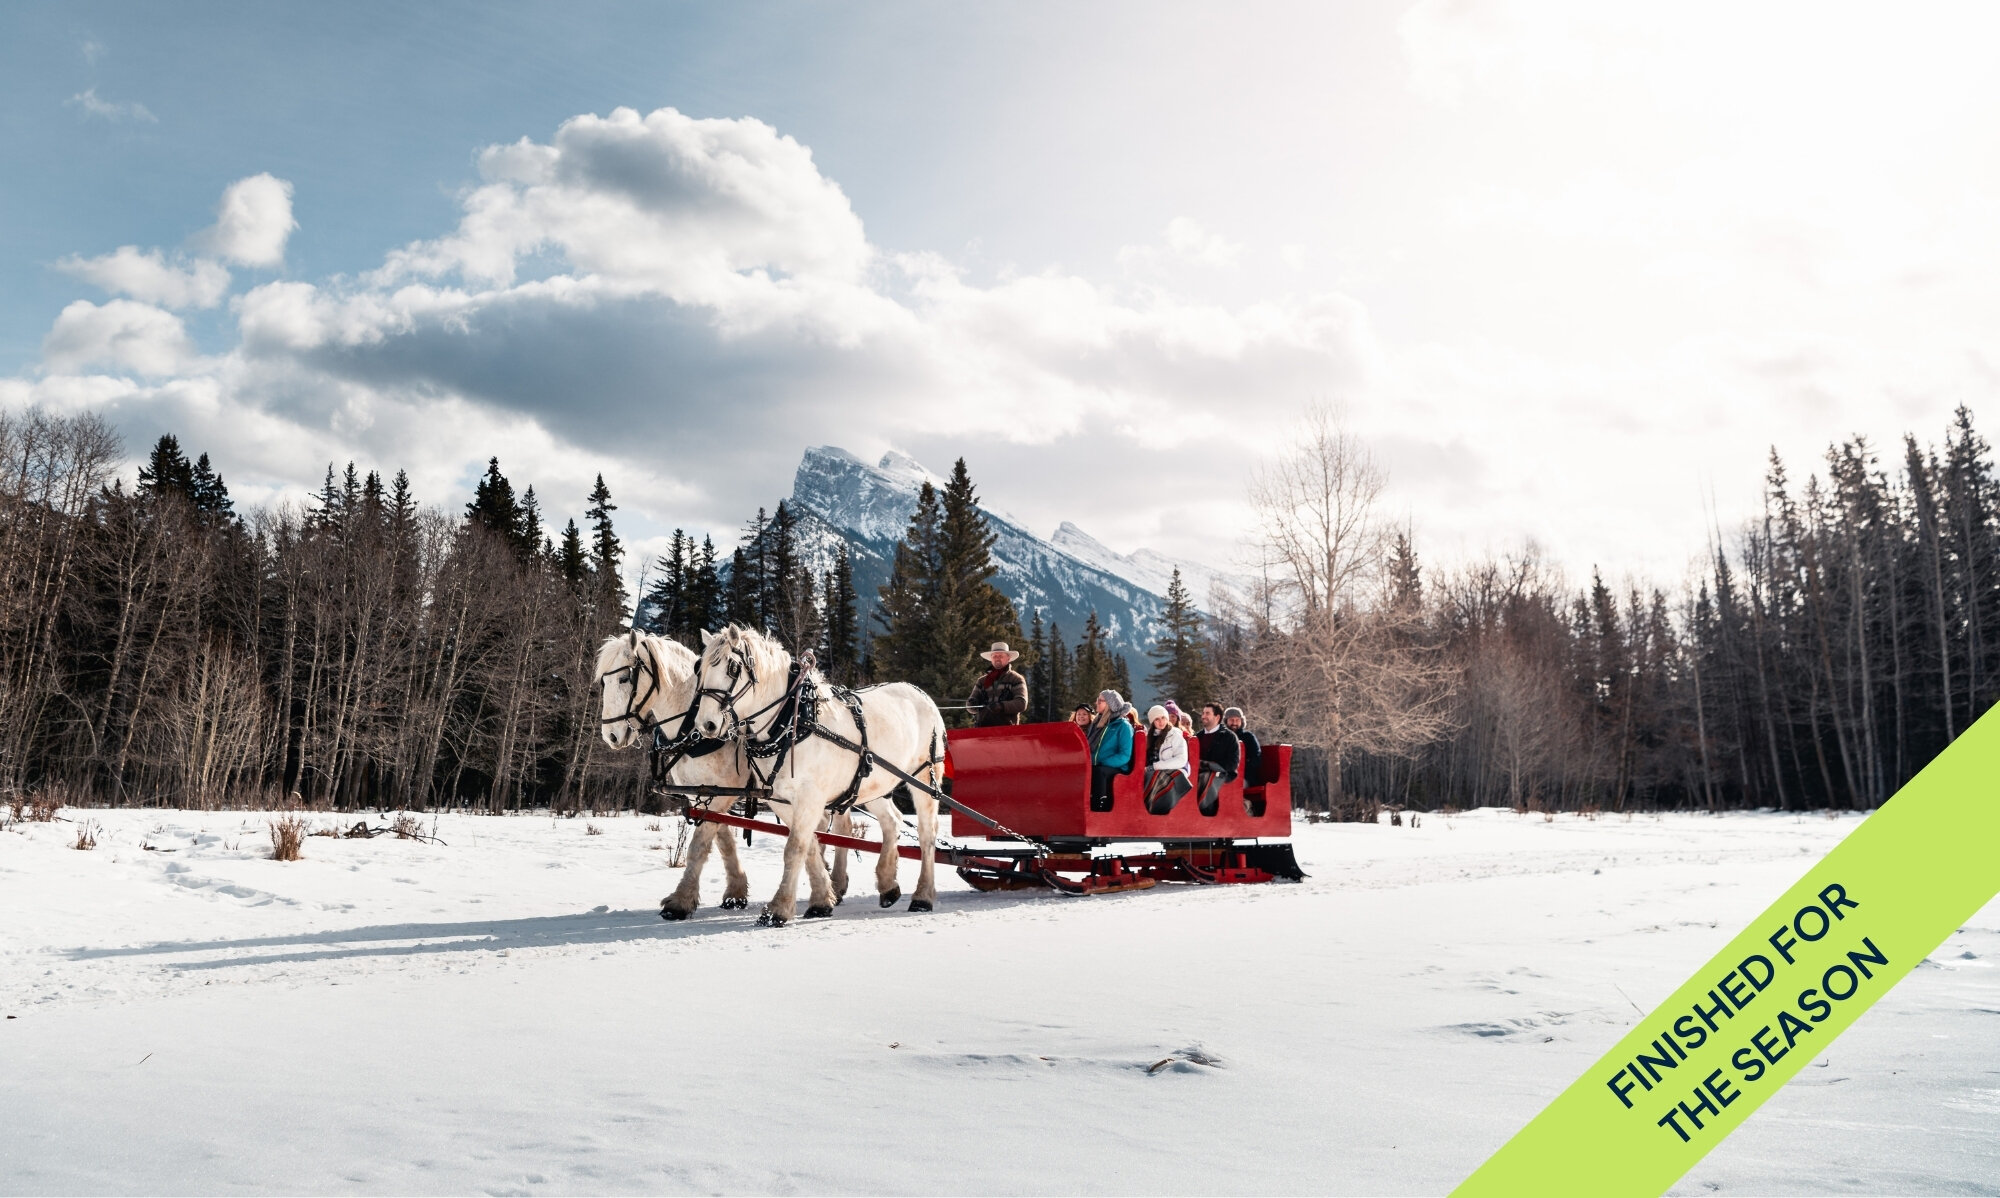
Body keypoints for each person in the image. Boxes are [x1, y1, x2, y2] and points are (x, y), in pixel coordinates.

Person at [1087, 690, 1134, 812]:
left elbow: (1125, 755)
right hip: (1097, 764)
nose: (1096, 702)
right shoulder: (1098, 723)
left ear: (1110, 704)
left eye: (1100, 700)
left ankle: (1099, 807)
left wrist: (1103, 762)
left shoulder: (1123, 726)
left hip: (1116, 767)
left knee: (1098, 772)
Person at [1142, 704, 1192, 815]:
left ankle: (1151, 809)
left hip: (1174, 770)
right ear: (1152, 722)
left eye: (1163, 718)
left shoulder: (1175, 735)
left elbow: (1181, 759)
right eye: (1157, 719)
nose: (1161, 722)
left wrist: (1155, 767)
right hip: (1152, 769)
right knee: (1142, 777)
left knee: (1154, 776)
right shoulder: (1149, 737)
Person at [1194, 702, 1241, 817]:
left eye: (1207, 713)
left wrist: (1211, 765)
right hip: (1199, 771)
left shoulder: (1229, 737)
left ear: (1217, 717)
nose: (1203, 716)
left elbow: (1233, 763)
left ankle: (1206, 815)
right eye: (1203, 713)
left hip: (1223, 773)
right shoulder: (1197, 737)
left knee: (1207, 778)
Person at [966, 642, 1027, 728]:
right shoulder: (981, 681)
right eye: (994, 656)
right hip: (981, 731)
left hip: (1007, 731)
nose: (997, 658)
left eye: (1000, 656)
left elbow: (1021, 703)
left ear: (1008, 658)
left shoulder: (1016, 679)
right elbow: (970, 707)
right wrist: (972, 704)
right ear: (991, 659)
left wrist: (1001, 706)